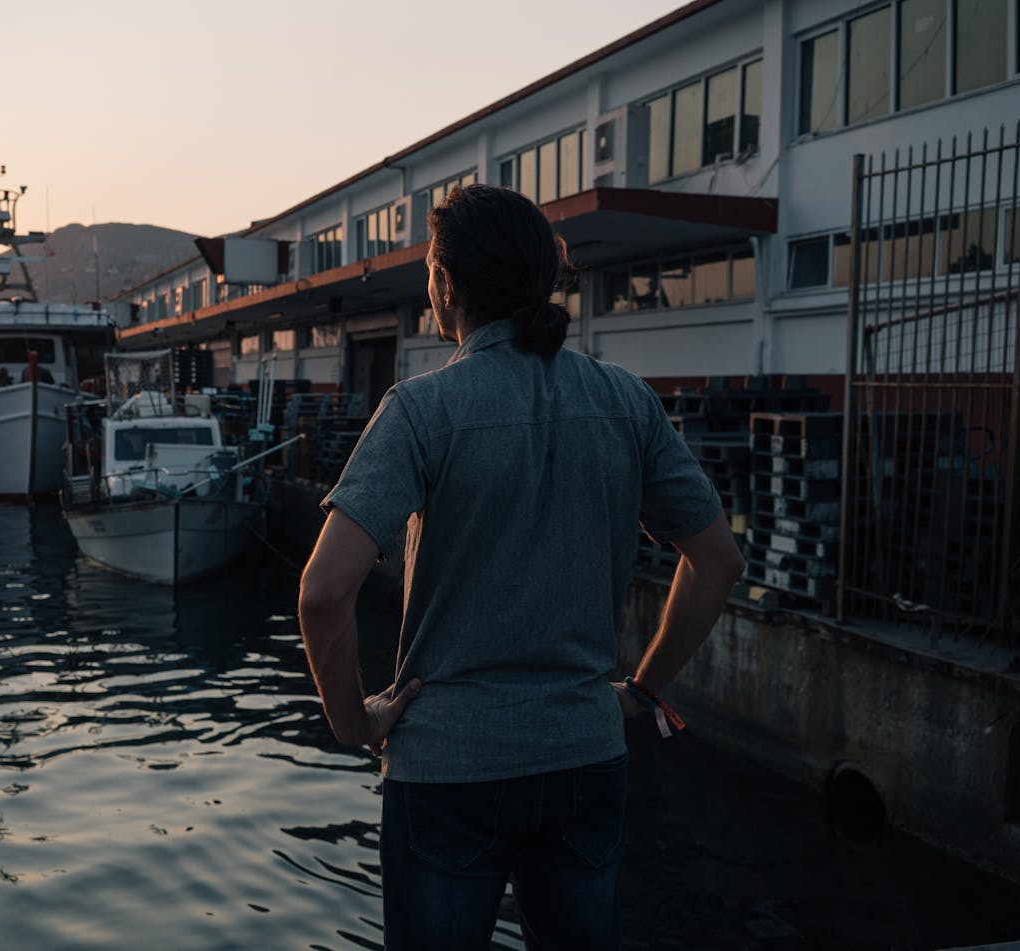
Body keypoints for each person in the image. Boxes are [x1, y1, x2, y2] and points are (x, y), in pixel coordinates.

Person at [297, 184, 745, 950]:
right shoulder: (627, 402)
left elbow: (322, 591)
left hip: (445, 769)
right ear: (543, 280)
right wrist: (641, 691)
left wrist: (354, 721)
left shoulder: (420, 411)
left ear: (444, 283)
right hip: (583, 753)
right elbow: (718, 560)